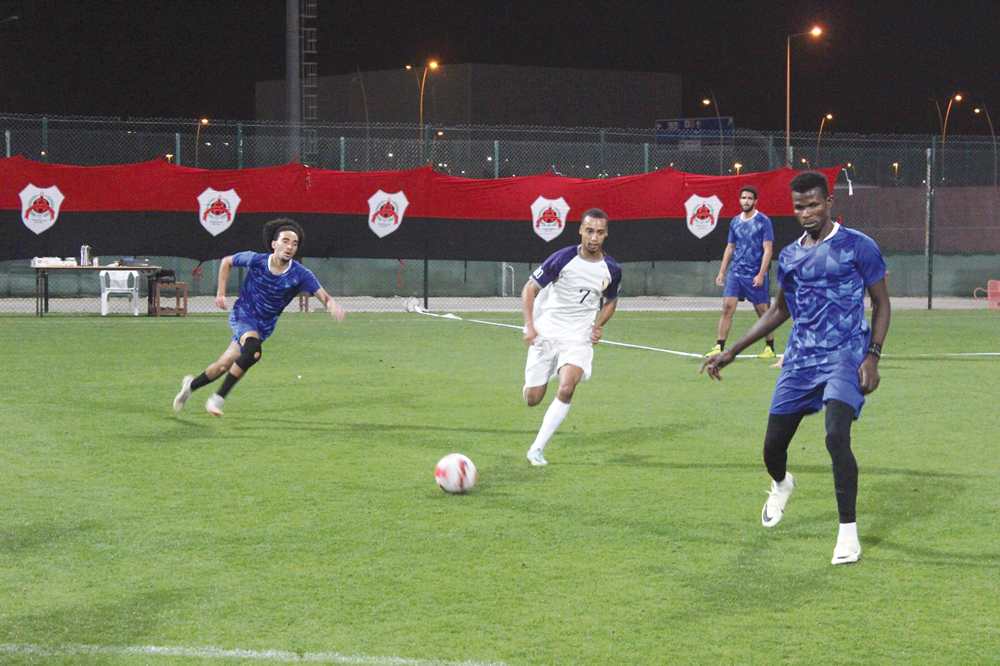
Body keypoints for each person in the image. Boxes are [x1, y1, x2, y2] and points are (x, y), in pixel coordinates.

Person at [700, 171, 890, 565]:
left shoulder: (859, 246)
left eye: (814, 204)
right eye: (799, 206)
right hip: (801, 358)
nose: (806, 213)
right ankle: (782, 484)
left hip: (846, 354)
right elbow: (779, 310)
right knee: (772, 449)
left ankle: (848, 536)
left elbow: (882, 303)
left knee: (836, 436)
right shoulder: (789, 256)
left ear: (829, 202)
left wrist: (872, 354)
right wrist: (732, 349)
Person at [172, 218, 345, 417]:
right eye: (286, 241)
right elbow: (226, 261)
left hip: (263, 327)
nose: (290, 247)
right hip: (243, 314)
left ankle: (190, 386)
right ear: (274, 244)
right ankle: (217, 399)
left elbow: (323, 296)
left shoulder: (301, 274)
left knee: (222, 366)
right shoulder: (256, 260)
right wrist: (220, 293)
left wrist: (333, 306)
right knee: (254, 352)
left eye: (294, 244)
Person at [522, 209, 622, 466]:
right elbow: (530, 288)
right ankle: (551, 368)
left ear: (606, 234)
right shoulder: (562, 258)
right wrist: (530, 325)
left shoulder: (612, 268)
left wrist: (599, 324)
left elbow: (611, 300)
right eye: (589, 231)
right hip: (546, 332)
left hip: (578, 336)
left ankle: (537, 449)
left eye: (599, 232)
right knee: (532, 399)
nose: (594, 237)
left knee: (567, 387)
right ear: (581, 230)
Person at [706, 186, 776, 359]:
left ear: (755, 201)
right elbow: (730, 248)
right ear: (739, 200)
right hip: (735, 273)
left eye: (750, 198)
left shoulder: (763, 221)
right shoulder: (735, 222)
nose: (746, 201)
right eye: (743, 198)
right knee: (727, 308)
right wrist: (722, 271)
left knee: (763, 312)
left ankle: (769, 348)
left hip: (754, 274)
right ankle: (719, 346)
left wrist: (761, 274)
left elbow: (768, 249)